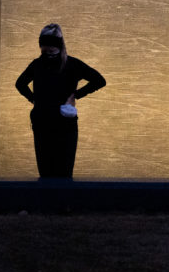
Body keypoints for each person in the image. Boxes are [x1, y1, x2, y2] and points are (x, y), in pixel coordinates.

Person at [15, 23, 106, 179]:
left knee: (61, 172)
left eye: (52, 48)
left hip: (62, 123)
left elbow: (99, 80)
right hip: (45, 122)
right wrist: (34, 99)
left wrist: (75, 95)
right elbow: (20, 83)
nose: (48, 52)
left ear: (59, 46)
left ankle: (63, 203)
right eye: (45, 48)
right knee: (48, 172)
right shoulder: (38, 65)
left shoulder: (70, 64)